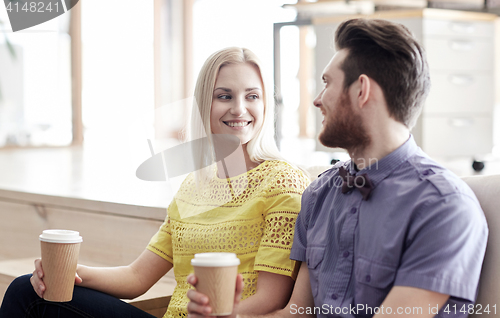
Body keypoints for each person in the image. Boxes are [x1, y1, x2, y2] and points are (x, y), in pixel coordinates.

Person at [186, 18, 488, 318]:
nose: (317, 100)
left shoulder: (444, 207)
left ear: (361, 91)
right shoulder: (320, 192)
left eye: (327, 83)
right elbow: (295, 315)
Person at [0, 47, 310, 318]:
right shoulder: (194, 184)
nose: (239, 108)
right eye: (224, 96)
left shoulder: (282, 182)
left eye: (252, 96)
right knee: (25, 290)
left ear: (265, 105)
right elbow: (137, 277)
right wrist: (68, 273)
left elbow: (271, 298)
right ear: (204, 104)